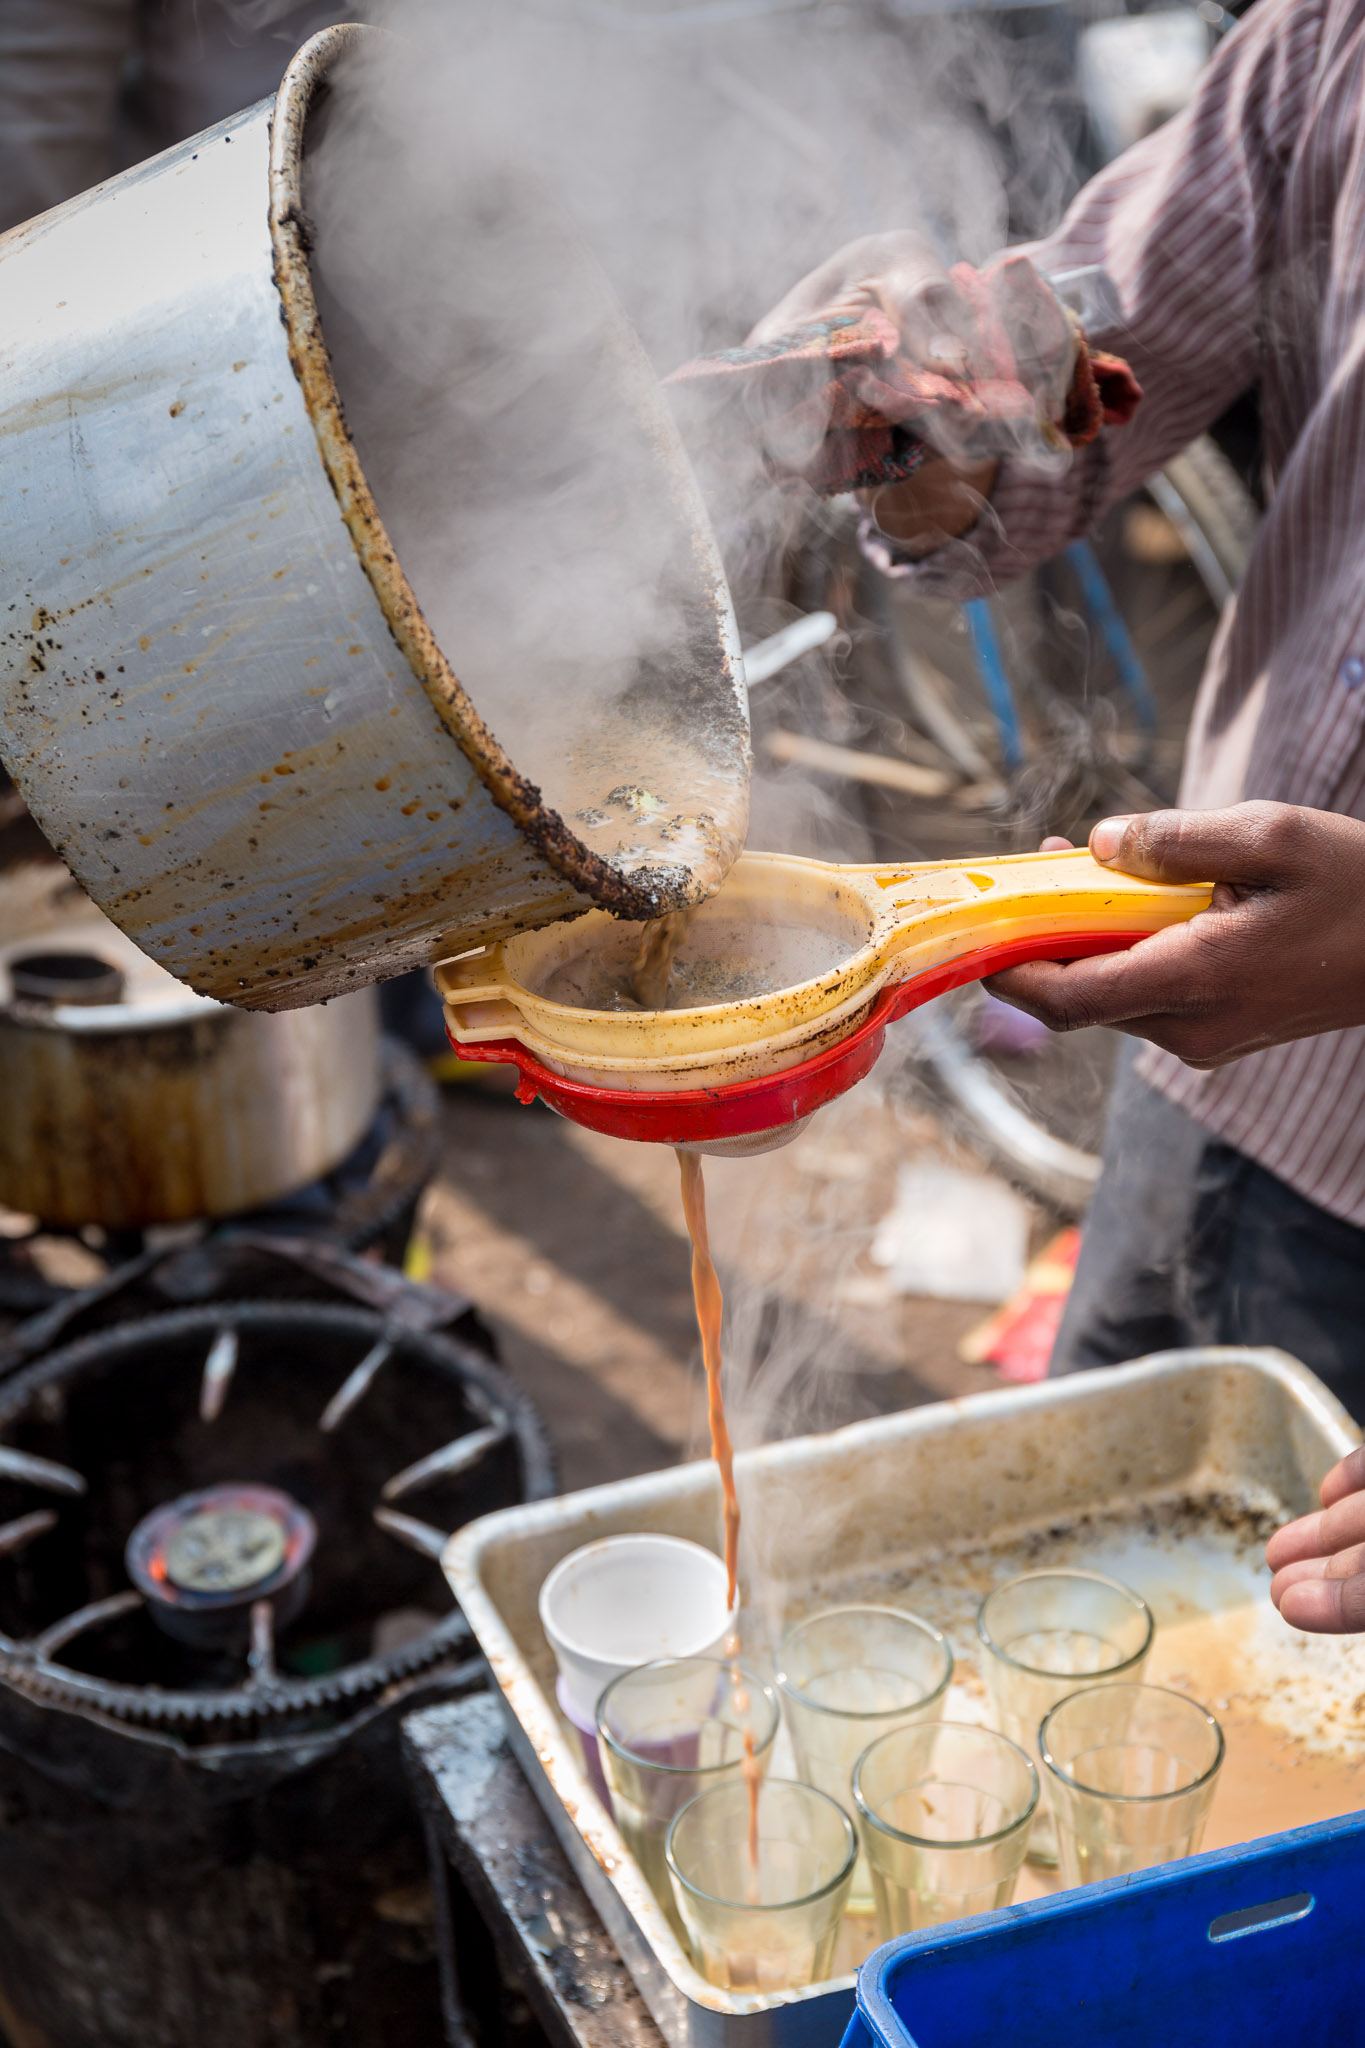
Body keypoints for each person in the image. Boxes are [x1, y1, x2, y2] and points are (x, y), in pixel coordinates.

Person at [751, 0, 1365, 1429]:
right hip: (1204, 1083)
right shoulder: (1330, 41)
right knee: (1093, 1527)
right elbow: (1067, 376)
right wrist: (922, 416)